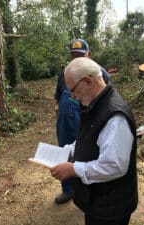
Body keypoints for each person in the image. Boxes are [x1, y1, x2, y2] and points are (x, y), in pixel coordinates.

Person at [50, 57, 138, 225]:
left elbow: (114, 166)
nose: (73, 97)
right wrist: (68, 151)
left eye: (73, 90)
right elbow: (88, 137)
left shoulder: (114, 117)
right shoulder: (94, 104)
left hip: (111, 208)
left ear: (88, 81)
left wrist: (74, 169)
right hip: (97, 202)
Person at [54, 38, 110, 204]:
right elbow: (58, 96)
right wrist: (58, 111)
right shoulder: (65, 73)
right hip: (65, 120)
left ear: (89, 54)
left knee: (87, 153)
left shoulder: (101, 73)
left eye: (80, 55)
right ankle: (68, 190)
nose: (76, 59)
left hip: (85, 120)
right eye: (73, 55)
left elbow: (106, 102)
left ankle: (88, 191)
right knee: (65, 153)